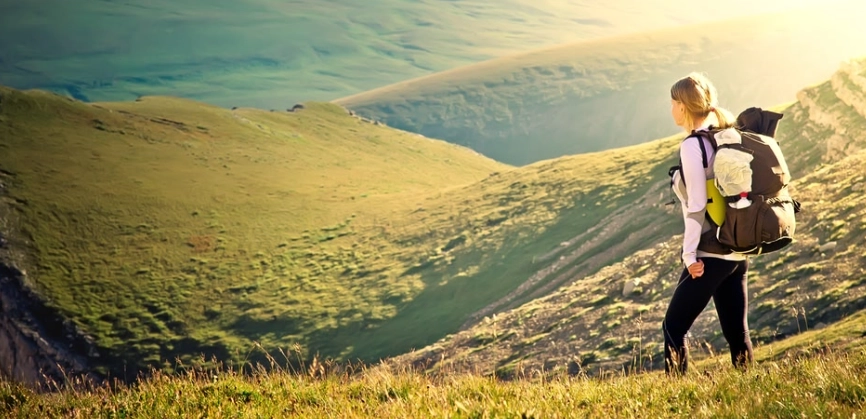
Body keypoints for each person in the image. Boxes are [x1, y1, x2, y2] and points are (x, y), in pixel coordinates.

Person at [662, 72, 753, 375]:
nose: (671, 109)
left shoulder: (693, 146)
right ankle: (750, 387)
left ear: (684, 107)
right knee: (736, 334)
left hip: (710, 253)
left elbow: (697, 205)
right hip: (736, 252)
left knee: (673, 327)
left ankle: (675, 395)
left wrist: (689, 256)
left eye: (673, 102)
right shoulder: (726, 135)